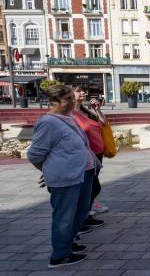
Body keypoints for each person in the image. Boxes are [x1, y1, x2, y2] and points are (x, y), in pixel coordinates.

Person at [28, 84, 101, 268]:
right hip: (66, 178)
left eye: (71, 97)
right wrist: (48, 171)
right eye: (67, 98)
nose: (71, 101)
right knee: (64, 216)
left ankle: (68, 244)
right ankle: (60, 255)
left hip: (83, 173)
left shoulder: (68, 117)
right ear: (54, 102)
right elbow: (35, 155)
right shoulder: (48, 122)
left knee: (81, 212)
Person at [71, 86, 106, 231]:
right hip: (86, 155)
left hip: (97, 154)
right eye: (79, 91)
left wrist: (97, 109)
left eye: (83, 91)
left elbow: (103, 123)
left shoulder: (85, 111)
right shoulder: (71, 114)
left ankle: (86, 216)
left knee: (91, 188)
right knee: (92, 187)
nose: (83, 93)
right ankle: (81, 219)